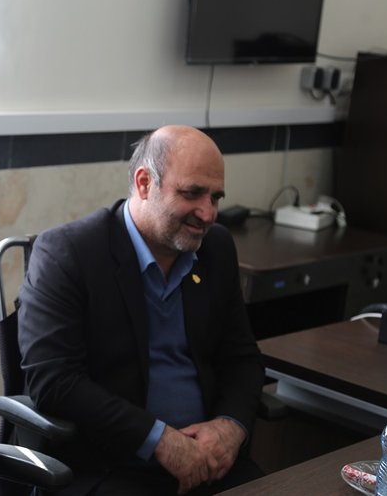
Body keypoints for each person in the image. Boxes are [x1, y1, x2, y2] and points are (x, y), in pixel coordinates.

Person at [17, 125, 266, 495]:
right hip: (111, 466)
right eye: (193, 193)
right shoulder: (69, 253)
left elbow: (242, 358)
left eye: (215, 197)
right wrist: (160, 440)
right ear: (145, 183)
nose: (208, 213)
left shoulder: (216, 248)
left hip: (208, 462)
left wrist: (231, 427)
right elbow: (54, 381)